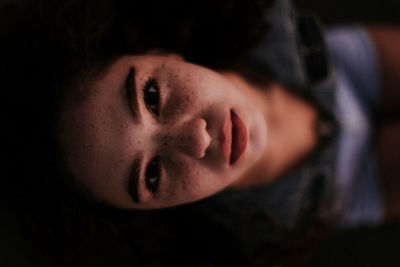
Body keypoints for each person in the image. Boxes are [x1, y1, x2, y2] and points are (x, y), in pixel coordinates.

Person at [2, 0, 399, 266]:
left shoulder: (264, 21)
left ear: (158, 54)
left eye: (151, 96)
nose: (198, 140)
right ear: (151, 213)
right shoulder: (250, 238)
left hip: (348, 67)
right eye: (152, 176)